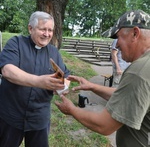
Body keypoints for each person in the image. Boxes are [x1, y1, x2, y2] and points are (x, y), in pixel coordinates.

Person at [55, 9, 150, 147]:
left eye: (119, 37)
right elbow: (126, 96)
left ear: (135, 34)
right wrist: (92, 86)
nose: (116, 44)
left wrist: (72, 110)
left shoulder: (138, 72)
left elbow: (104, 125)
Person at [0, 11, 70, 147]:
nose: (47, 34)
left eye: (50, 30)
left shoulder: (54, 52)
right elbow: (7, 70)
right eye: (43, 29)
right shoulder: (16, 43)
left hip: (39, 118)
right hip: (11, 115)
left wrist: (63, 87)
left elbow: (65, 76)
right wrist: (39, 81)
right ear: (30, 28)